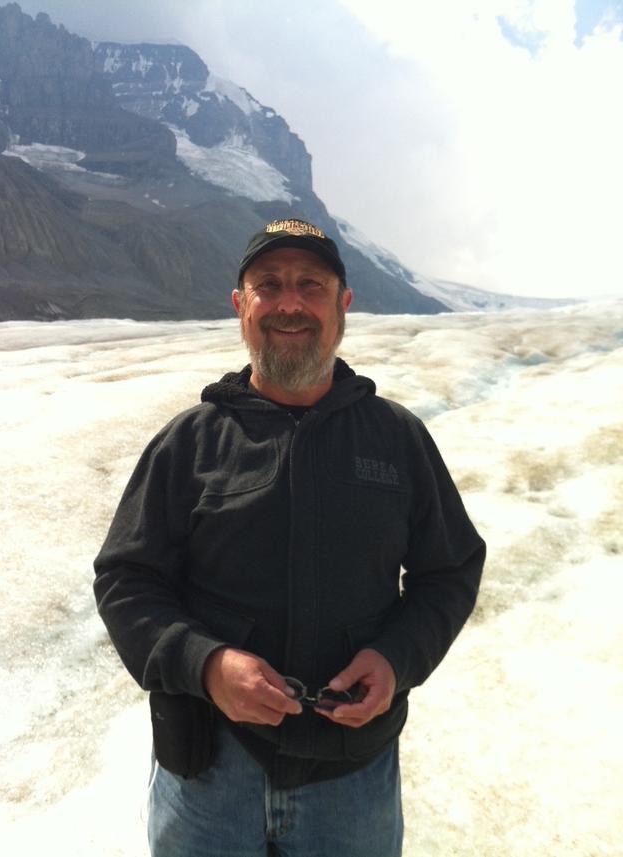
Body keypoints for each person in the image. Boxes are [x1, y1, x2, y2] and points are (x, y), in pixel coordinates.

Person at [94, 218, 486, 857]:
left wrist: (396, 658)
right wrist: (208, 665)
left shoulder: (397, 439)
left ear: (343, 305)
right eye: (268, 285)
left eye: (311, 285)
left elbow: (451, 571)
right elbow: (126, 580)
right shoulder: (190, 443)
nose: (290, 303)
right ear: (240, 306)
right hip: (210, 773)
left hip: (351, 782)